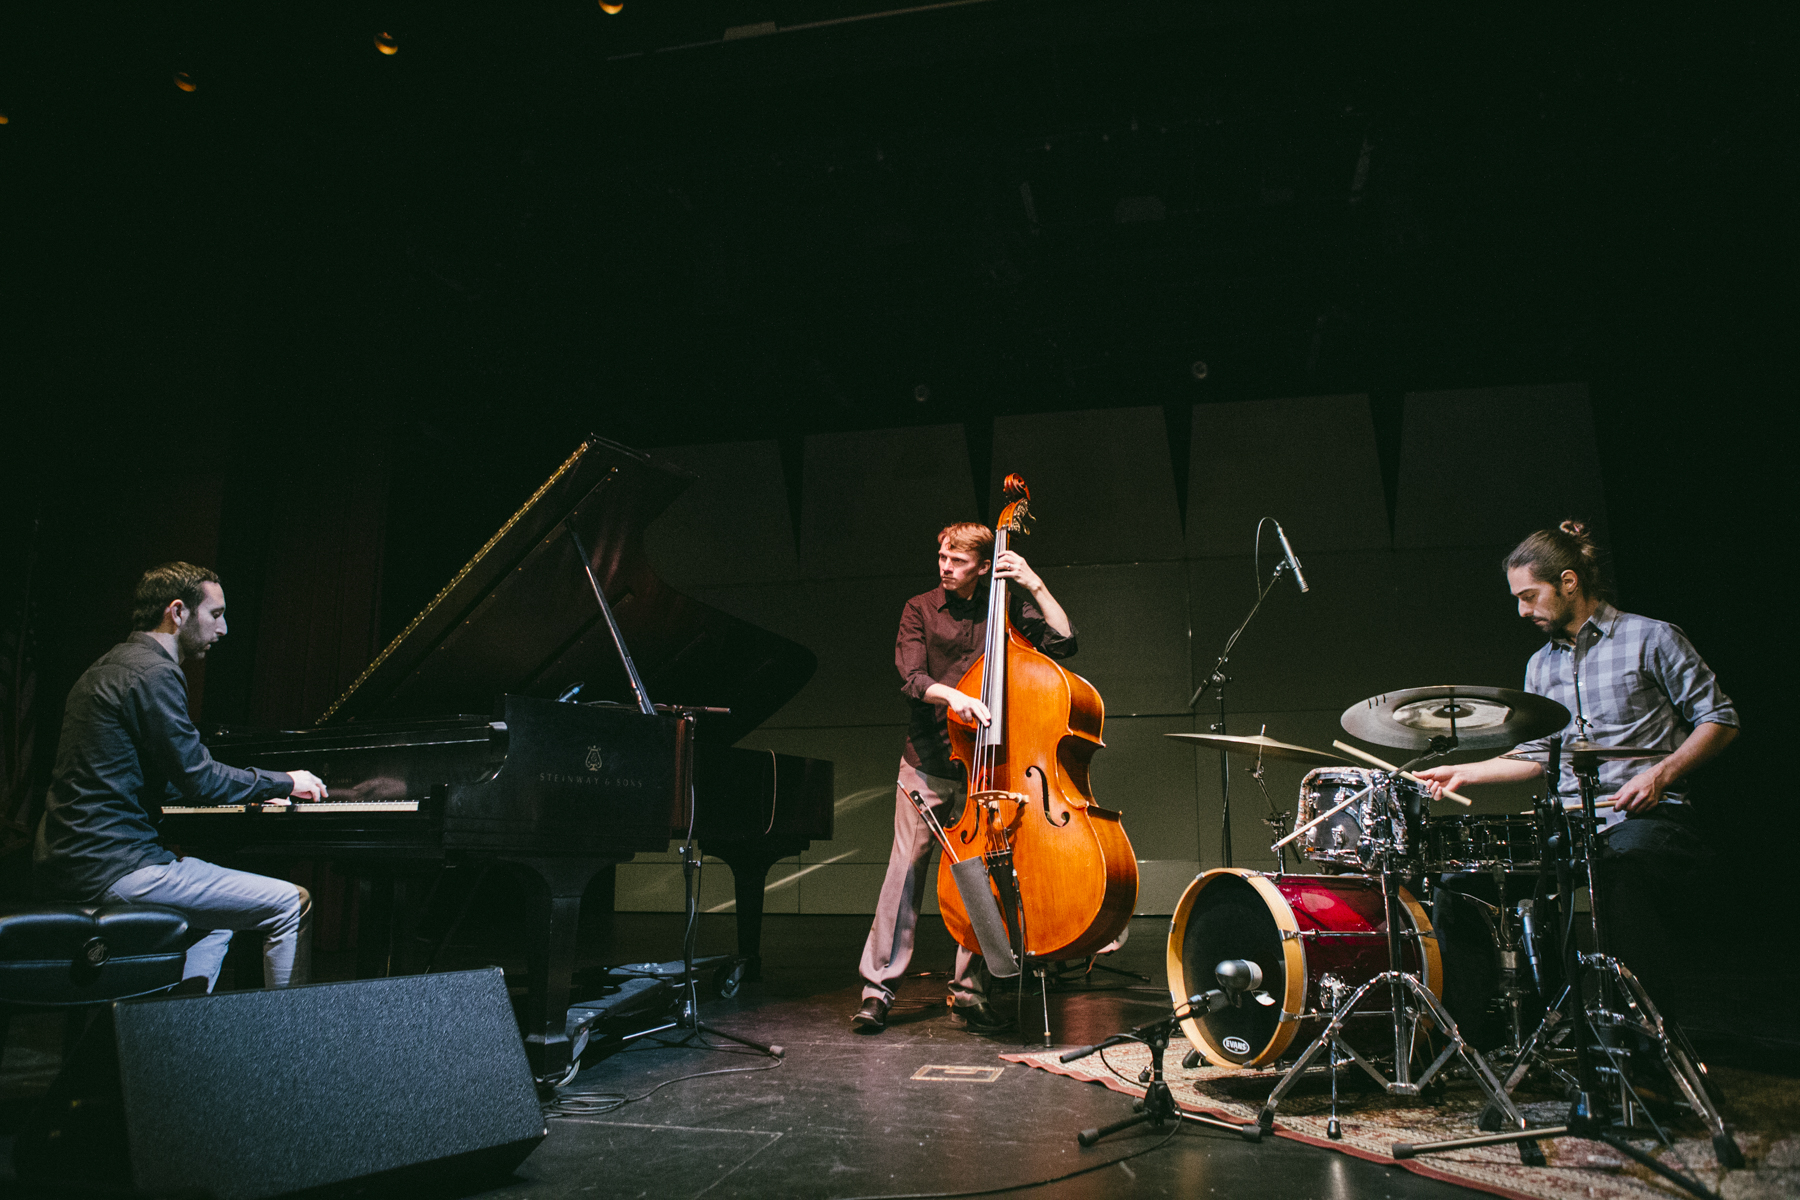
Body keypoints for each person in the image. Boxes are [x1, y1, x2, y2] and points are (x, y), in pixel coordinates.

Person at [1415, 521, 1738, 1017]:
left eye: (1529, 595)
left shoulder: (1651, 638)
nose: (1522, 610)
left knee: (1616, 869)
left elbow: (1719, 720)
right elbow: (1539, 756)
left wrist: (1660, 774)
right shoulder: (1539, 666)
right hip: (1570, 822)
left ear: (1569, 581)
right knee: (1461, 884)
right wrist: (1463, 773)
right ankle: (1487, 1037)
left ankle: (1646, 1034)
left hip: (1649, 820)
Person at [34, 562, 328, 992]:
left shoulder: (107, 666)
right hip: (116, 866)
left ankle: (176, 1034)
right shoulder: (155, 673)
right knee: (290, 903)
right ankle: (292, 1045)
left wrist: (244, 790)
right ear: (178, 612)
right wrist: (283, 782)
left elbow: (149, 777)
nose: (223, 629)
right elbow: (200, 779)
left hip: (67, 862)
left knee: (215, 922)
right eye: (216, 614)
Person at [851, 522, 1077, 1033]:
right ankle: (878, 989)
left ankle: (971, 991)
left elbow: (1064, 644)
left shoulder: (1005, 609)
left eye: (956, 560)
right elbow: (911, 678)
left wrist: (1034, 585)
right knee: (905, 873)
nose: (945, 567)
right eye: (942, 557)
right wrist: (954, 697)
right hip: (927, 760)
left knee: (979, 881)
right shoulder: (919, 609)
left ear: (982, 565)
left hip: (984, 766)